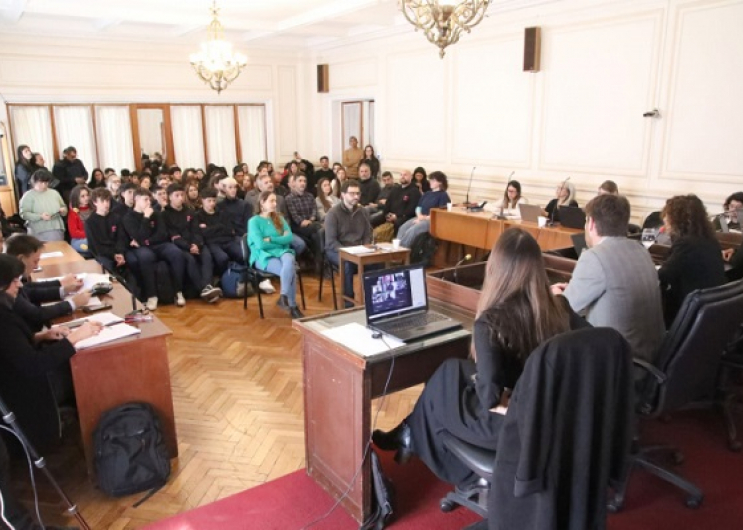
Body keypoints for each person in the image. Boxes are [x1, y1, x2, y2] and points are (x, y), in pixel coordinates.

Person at [372, 229, 584, 487]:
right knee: (452, 369)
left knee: (439, 389)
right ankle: (407, 431)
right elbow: (594, 346)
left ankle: (411, 435)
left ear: (495, 269)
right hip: (548, 415)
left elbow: (490, 397)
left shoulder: (491, 322)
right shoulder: (560, 308)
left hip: (511, 425)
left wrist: (496, 393)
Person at [0, 253, 102, 451]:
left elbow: (11, 348)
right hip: (22, 392)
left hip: (15, 378)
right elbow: (33, 365)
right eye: (14, 282)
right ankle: (91, 437)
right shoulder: (3, 319)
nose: (19, 286)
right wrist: (75, 337)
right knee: (81, 371)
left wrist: (40, 337)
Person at [551, 194, 664, 364]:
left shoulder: (594, 257)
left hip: (615, 365)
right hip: (651, 358)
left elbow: (563, 310)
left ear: (591, 223)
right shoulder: (640, 250)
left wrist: (554, 295)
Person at [658, 194, 726, 326]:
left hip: (688, 314)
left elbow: (663, 275)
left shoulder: (686, 244)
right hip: (708, 311)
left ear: (677, 219)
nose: (665, 219)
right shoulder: (710, 240)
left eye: (667, 215)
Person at [5, 234, 91, 332]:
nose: (36, 267)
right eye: (35, 261)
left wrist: (63, 288)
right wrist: (73, 303)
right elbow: (37, 314)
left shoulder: (12, 276)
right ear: (21, 259)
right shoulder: (7, 283)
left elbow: (28, 290)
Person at [121, 188, 189, 310]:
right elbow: (138, 235)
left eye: (149, 200)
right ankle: (151, 295)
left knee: (176, 253)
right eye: (145, 200)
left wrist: (146, 241)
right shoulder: (128, 217)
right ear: (136, 199)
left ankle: (178, 292)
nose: (149, 203)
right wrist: (146, 218)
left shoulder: (156, 213)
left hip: (156, 244)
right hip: (142, 248)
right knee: (146, 257)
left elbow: (162, 233)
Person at [161, 183, 223, 303]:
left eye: (182, 195)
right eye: (177, 195)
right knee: (189, 259)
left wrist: (196, 244)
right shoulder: (165, 215)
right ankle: (203, 290)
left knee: (206, 255)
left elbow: (196, 231)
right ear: (170, 197)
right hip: (180, 246)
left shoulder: (190, 211)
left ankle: (207, 286)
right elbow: (173, 235)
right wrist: (188, 247)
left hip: (194, 243)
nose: (180, 198)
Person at [248, 191, 304, 319]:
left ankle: (283, 296)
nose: (275, 204)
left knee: (289, 260)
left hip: (282, 252)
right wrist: (279, 240)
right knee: (290, 271)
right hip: (263, 255)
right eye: (271, 201)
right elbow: (261, 245)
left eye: (275, 201)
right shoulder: (254, 221)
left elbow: (289, 237)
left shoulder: (278, 217)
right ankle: (293, 306)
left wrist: (271, 239)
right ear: (262, 202)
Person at [324, 179, 373, 305]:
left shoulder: (363, 212)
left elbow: (368, 234)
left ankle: (373, 297)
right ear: (342, 195)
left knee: (377, 262)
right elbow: (331, 241)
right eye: (352, 193)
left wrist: (366, 248)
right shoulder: (333, 213)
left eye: (358, 194)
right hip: (337, 250)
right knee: (348, 265)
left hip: (358, 249)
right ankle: (348, 302)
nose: (356, 197)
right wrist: (348, 253)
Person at [194, 188, 243, 277]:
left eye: (214, 200)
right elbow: (203, 234)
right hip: (212, 243)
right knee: (222, 258)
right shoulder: (198, 216)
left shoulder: (222, 213)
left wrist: (210, 228)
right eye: (209, 201)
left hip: (227, 241)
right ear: (202, 201)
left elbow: (229, 230)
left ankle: (243, 276)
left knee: (241, 254)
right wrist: (219, 227)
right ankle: (224, 278)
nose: (212, 203)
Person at [397, 171, 451, 248]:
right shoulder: (427, 193)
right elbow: (418, 207)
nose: (431, 182)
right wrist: (419, 216)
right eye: (430, 180)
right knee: (403, 228)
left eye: (433, 180)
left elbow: (441, 213)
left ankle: (402, 250)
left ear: (440, 182)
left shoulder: (443, 195)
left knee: (413, 230)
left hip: (431, 220)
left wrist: (424, 218)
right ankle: (396, 249)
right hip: (420, 217)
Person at [285, 174, 324, 272]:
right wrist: (303, 221)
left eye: (304, 181)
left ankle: (318, 262)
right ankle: (321, 263)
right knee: (319, 229)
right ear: (294, 183)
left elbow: (314, 210)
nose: (303, 183)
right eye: (300, 181)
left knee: (316, 235)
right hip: (298, 226)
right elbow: (294, 216)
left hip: (311, 225)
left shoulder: (310, 196)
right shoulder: (289, 198)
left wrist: (311, 219)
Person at [85, 187, 127, 273]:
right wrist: (113, 255)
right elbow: (95, 247)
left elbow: (121, 238)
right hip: (102, 254)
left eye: (108, 201)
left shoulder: (116, 218)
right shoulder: (90, 222)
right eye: (102, 201)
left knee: (132, 261)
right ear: (95, 202)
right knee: (107, 265)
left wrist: (120, 253)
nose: (106, 204)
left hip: (117, 251)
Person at [19, 169, 67, 241]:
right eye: (41, 182)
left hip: (56, 227)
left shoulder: (54, 193)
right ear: (34, 182)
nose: (44, 185)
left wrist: (63, 210)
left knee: (58, 249)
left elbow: (64, 207)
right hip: (38, 230)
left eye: (46, 182)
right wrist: (40, 216)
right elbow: (24, 214)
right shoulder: (28, 195)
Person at [67, 184, 92, 256]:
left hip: (95, 238)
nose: (86, 198)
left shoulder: (94, 209)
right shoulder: (73, 212)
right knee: (90, 244)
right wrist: (90, 235)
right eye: (82, 196)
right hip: (79, 240)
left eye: (87, 195)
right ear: (76, 198)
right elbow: (74, 233)